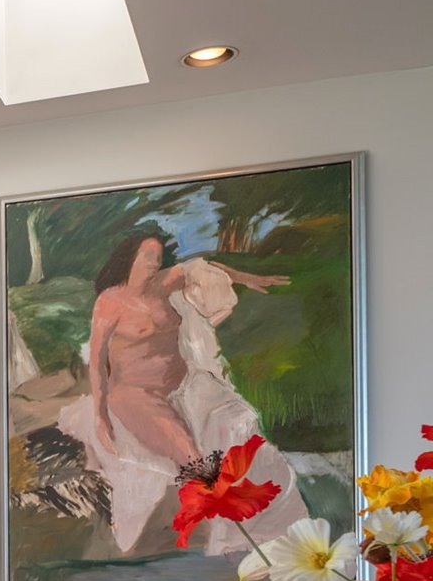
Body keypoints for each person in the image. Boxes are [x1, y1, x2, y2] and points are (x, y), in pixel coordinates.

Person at [56, 233, 306, 556]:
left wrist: (249, 279)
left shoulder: (165, 282)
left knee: (241, 422)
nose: (154, 263)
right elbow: (97, 362)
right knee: (192, 458)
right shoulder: (110, 302)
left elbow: (208, 268)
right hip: (136, 394)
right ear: (128, 258)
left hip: (183, 385)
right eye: (148, 255)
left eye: (158, 257)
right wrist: (101, 417)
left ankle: (268, 522)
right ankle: (228, 534)